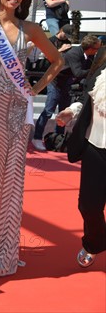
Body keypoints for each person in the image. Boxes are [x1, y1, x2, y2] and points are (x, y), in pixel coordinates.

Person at [0, 0, 64, 277]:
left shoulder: (31, 28)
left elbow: (57, 61)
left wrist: (34, 90)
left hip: (14, 112)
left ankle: (5, 250)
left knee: (10, 182)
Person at [56, 48, 106, 268]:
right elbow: (87, 95)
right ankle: (94, 243)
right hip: (95, 144)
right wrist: (71, 111)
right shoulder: (103, 55)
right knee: (89, 205)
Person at [31, 24, 75, 151]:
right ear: (61, 31)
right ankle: (37, 137)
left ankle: (58, 139)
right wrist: (60, 51)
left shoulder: (68, 42)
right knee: (48, 110)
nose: (67, 38)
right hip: (52, 79)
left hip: (65, 80)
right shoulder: (50, 41)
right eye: (66, 34)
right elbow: (46, 58)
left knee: (63, 111)